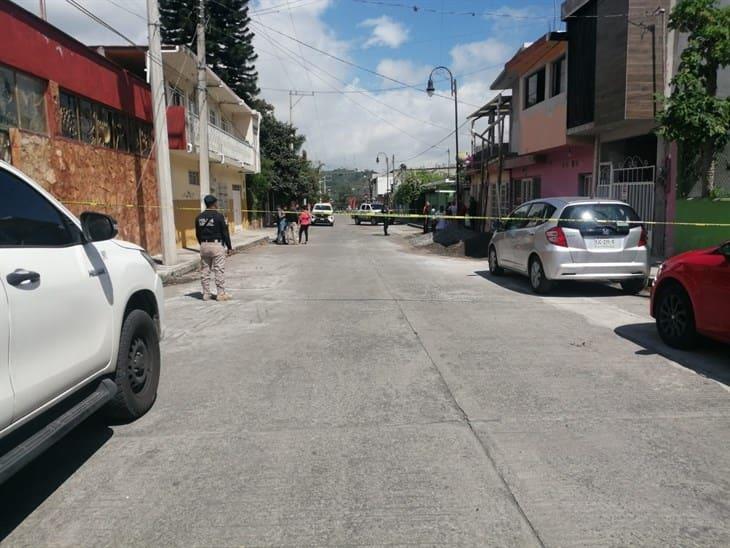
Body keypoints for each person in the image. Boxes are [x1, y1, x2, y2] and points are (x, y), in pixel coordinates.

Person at [195, 194, 232, 301]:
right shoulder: (219, 216)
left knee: (205, 271)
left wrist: (203, 244)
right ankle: (221, 294)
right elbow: (225, 233)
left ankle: (206, 294)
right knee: (219, 270)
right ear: (214, 203)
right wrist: (229, 246)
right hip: (216, 245)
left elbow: (197, 233)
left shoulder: (199, 217)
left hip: (204, 245)